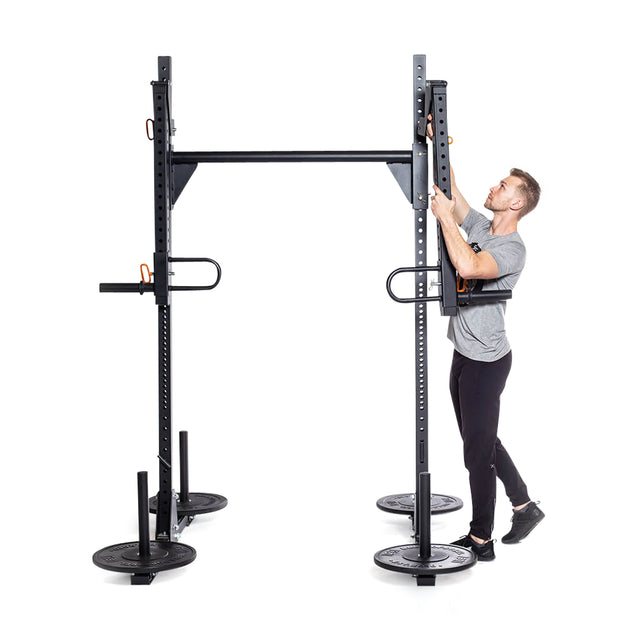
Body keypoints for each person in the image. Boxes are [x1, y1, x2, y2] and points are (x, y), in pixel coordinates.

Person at [428, 152, 544, 561]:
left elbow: (469, 264)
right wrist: (437, 137)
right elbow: (452, 193)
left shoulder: (512, 249)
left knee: (476, 451)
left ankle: (482, 540)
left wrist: (444, 218)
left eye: (504, 186)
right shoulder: (480, 224)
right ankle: (525, 506)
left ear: (516, 203)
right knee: (480, 440)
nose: (495, 186)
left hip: (486, 361)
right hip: (464, 352)